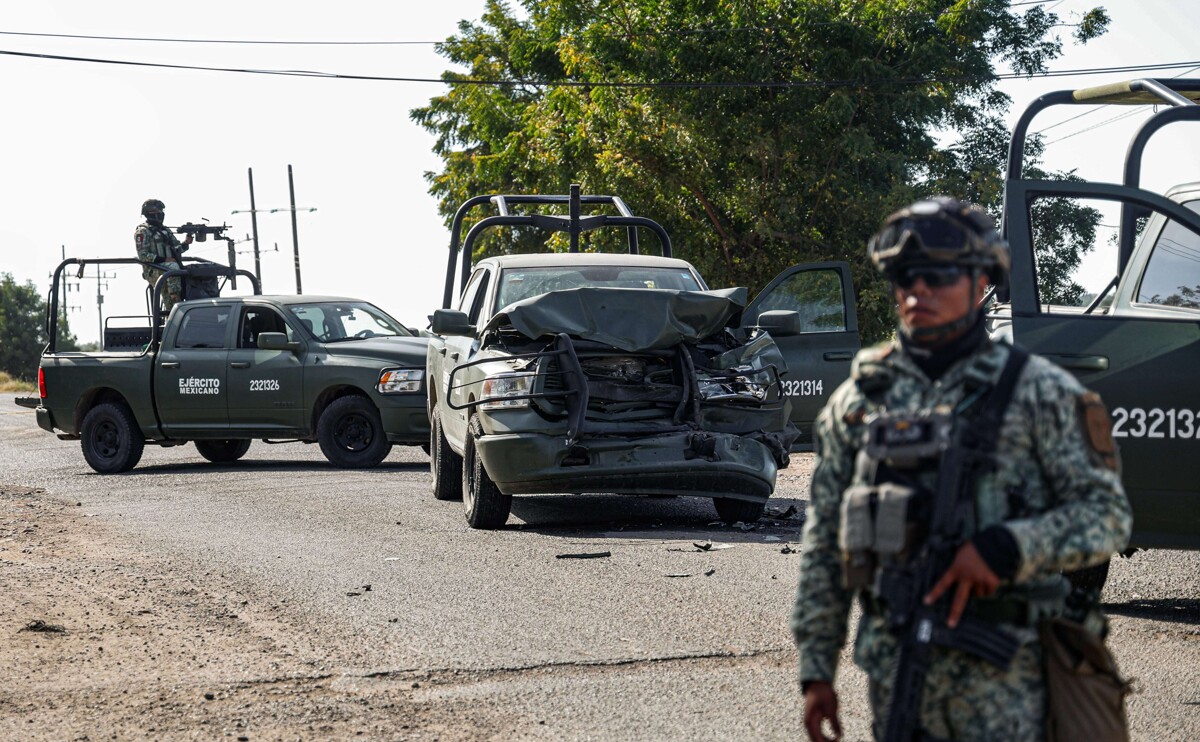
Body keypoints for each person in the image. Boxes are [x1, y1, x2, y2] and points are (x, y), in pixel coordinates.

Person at [790, 197, 1132, 741]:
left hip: (1010, 682)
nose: (916, 290)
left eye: (938, 275)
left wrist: (1009, 548)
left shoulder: (1041, 393)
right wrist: (816, 670)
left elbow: (1107, 517)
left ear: (981, 283)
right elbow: (825, 542)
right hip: (898, 677)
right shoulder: (859, 403)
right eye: (904, 276)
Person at [134, 198, 192, 315]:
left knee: (170, 306)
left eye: (161, 212)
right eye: (158, 212)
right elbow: (143, 255)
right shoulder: (143, 231)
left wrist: (186, 243)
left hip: (167, 269)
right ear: (150, 214)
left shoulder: (165, 230)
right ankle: (175, 298)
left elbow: (176, 249)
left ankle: (175, 310)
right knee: (173, 268)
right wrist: (164, 260)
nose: (160, 214)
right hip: (153, 269)